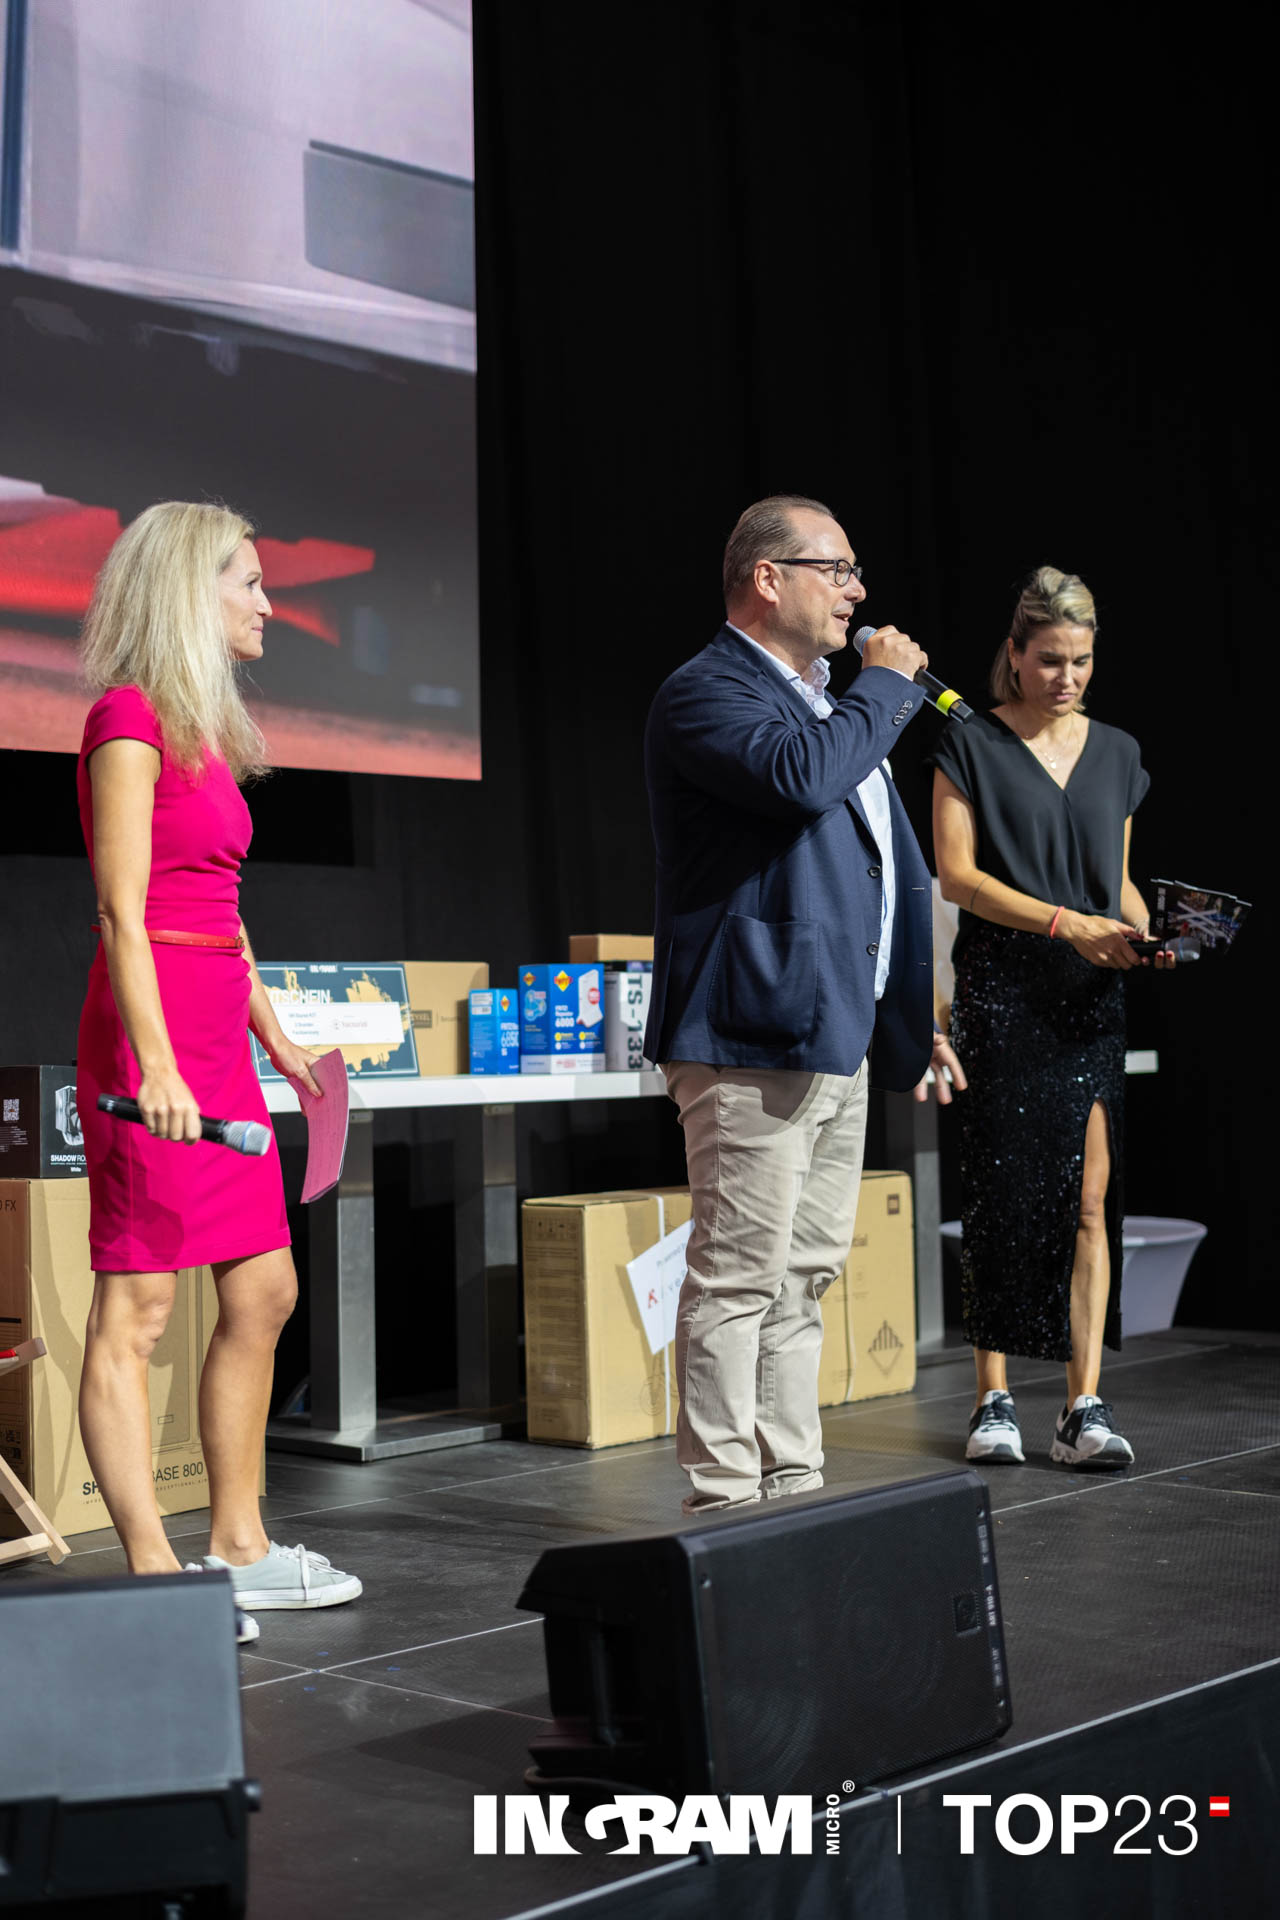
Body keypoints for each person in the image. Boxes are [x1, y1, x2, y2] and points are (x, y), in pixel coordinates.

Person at [644, 494, 964, 1513]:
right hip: (749, 1029)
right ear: (766, 577)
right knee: (738, 1277)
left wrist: (916, 1014)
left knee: (804, 1276)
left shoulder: (831, 704)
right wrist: (886, 686)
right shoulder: (707, 691)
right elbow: (797, 781)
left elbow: (888, 878)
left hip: (836, 1030)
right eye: (838, 569)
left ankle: (793, 1488)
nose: (857, 591)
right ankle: (724, 1498)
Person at [75, 502, 362, 1636]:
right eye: (248, 581)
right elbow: (121, 909)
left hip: (214, 1037)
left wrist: (272, 1034)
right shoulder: (127, 717)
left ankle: (239, 1544)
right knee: (139, 1308)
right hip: (149, 1039)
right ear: (189, 589)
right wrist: (155, 1062)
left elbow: (217, 909)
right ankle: (154, 1578)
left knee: (264, 1289)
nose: (267, 603)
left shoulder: (203, 729)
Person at [931, 565, 1168, 1472]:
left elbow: (1116, 883)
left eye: (1082, 661)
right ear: (1015, 654)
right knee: (1001, 1197)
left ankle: (1081, 1407)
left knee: (1089, 1203)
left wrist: (1155, 934)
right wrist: (1069, 923)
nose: (1067, 677)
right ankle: (992, 1399)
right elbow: (959, 878)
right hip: (1002, 991)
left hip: (1088, 998)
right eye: (1050, 660)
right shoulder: (970, 742)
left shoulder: (1117, 751)